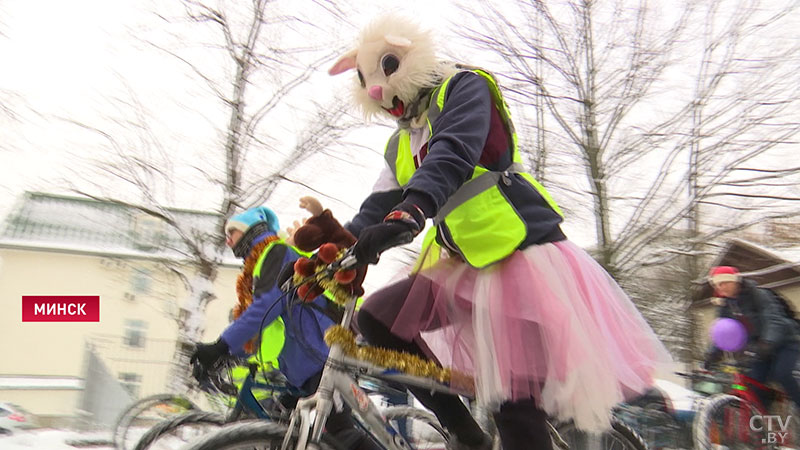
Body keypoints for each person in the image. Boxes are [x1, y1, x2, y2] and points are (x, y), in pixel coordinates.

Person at [327, 14, 672, 450]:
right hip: (463, 264)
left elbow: (452, 152)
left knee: (515, 406)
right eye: (367, 81)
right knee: (377, 319)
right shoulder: (400, 142)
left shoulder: (465, 87)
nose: (378, 90)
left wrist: (412, 210)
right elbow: (375, 206)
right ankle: (465, 432)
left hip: (522, 257)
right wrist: (322, 256)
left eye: (387, 69)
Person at [190, 200, 380, 450]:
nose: (228, 240)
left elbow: (267, 307)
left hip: (322, 354)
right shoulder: (259, 263)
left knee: (341, 436)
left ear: (252, 229)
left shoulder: (276, 253)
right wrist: (227, 353)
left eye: (232, 232)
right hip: (304, 364)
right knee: (288, 435)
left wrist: (221, 347)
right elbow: (265, 324)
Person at [704, 265, 800, 409]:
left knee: (783, 374)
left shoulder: (758, 294)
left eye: (724, 282)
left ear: (735, 281)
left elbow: (773, 319)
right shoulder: (725, 307)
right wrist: (712, 356)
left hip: (785, 342)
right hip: (759, 348)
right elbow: (724, 333)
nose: (721, 287)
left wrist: (768, 342)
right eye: (717, 284)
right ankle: (763, 426)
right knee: (754, 384)